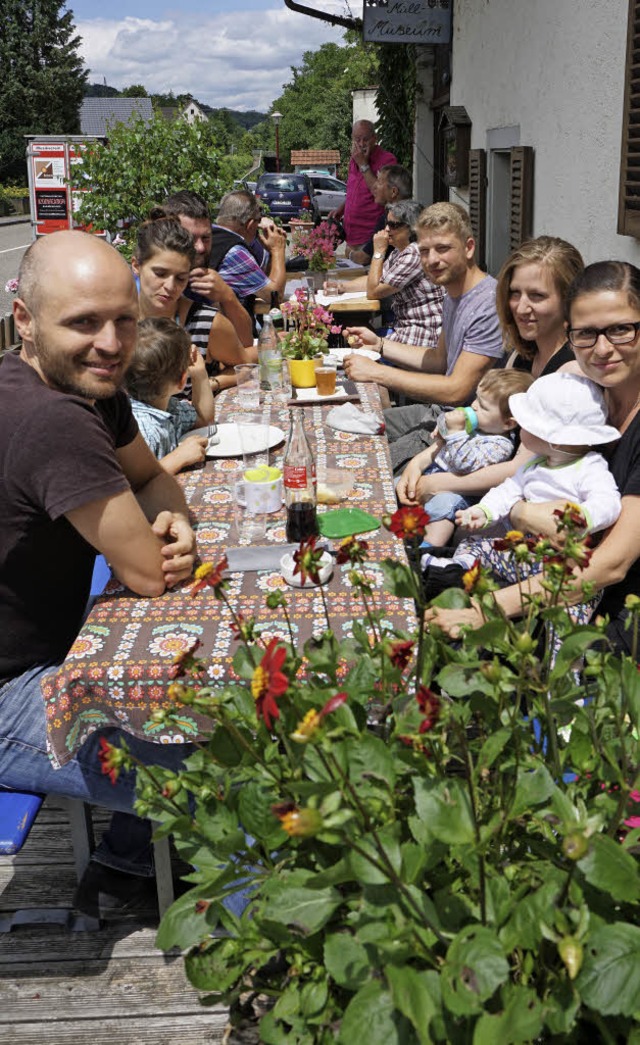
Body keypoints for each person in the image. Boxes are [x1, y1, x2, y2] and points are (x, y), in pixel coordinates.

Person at [0, 230, 198, 916]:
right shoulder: (50, 415)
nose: (111, 343)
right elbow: (147, 572)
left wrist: (175, 523)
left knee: (198, 696)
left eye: (123, 318)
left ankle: (130, 847)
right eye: (83, 322)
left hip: (57, 645)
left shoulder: (90, 386)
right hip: (7, 691)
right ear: (23, 318)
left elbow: (153, 480)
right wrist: (157, 539)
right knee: (224, 769)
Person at [425, 260, 640, 657]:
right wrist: (522, 511)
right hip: (544, 570)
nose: (604, 348)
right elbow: (526, 465)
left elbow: (612, 563)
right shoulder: (580, 384)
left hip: (612, 610)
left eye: (622, 329)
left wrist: (485, 611)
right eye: (587, 333)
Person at [396, 235, 585, 505]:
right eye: (514, 293)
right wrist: (418, 463)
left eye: (537, 296)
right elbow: (475, 418)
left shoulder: (569, 373)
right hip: (476, 472)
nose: (521, 307)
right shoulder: (521, 354)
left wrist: (434, 482)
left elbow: (522, 465)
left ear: (567, 300)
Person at [422, 373, 621, 597]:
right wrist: (484, 511)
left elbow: (609, 502)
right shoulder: (536, 464)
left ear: (552, 438)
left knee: (483, 550)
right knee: (473, 543)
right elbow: (508, 490)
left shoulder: (589, 467)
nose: (520, 430)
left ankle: (452, 574)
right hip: (525, 549)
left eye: (526, 425)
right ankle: (459, 571)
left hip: (561, 560)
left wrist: (582, 518)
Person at [344, 202, 504, 473]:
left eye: (443, 248)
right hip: (438, 414)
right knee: (351, 430)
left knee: (364, 467)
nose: (432, 260)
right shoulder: (454, 293)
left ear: (468, 248)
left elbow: (456, 389)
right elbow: (438, 360)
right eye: (425, 251)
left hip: (464, 432)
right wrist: (380, 344)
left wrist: (377, 373)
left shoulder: (488, 303)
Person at [408, 369, 534, 547]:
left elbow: (463, 464)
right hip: (435, 471)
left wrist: (455, 433)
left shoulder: (500, 445)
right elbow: (447, 428)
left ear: (508, 423)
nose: (474, 406)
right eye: (476, 398)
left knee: (444, 509)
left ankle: (428, 548)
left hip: (460, 492)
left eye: (483, 406)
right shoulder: (476, 426)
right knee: (400, 484)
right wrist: (444, 427)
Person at [132, 215, 256, 393]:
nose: (170, 286)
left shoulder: (207, 324)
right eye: (160, 273)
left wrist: (210, 383)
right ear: (136, 266)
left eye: (181, 278)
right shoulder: (116, 322)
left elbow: (244, 367)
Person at [329, 200, 444, 349]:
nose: (387, 229)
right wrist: (341, 287)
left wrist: (378, 252)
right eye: (386, 223)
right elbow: (376, 279)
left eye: (394, 225)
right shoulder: (400, 251)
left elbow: (373, 291)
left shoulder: (415, 253)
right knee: (351, 323)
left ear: (412, 228)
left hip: (420, 334)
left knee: (355, 332)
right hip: (403, 326)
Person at [159, 189, 253, 348]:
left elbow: (244, 343)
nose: (201, 247)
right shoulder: (154, 287)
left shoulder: (207, 284)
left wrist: (227, 298)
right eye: (190, 238)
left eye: (206, 238)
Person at [126, 318, 215, 475]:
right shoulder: (142, 429)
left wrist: (199, 375)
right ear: (181, 381)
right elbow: (135, 487)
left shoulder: (168, 407)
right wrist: (178, 458)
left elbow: (202, 419)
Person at [210, 190, 287, 318]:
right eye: (257, 225)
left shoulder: (206, 236)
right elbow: (275, 295)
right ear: (250, 225)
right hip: (229, 330)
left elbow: (262, 284)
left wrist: (271, 254)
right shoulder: (235, 253)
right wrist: (277, 249)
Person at [329, 120, 397, 252]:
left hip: (371, 239)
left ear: (374, 138)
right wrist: (341, 209)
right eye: (357, 139)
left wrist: (364, 165)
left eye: (365, 139)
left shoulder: (387, 160)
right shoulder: (355, 159)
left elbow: (382, 196)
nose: (361, 144)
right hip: (350, 239)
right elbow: (354, 192)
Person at [347, 164, 412, 266]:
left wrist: (349, 253)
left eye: (380, 182)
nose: (374, 186)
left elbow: (365, 258)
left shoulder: (391, 219)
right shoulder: (412, 213)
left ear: (393, 191)